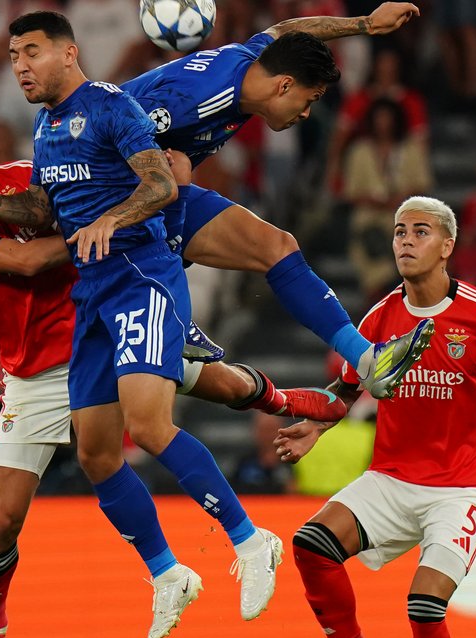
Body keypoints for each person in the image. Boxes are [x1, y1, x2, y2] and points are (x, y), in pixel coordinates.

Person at [0, 12, 342, 638]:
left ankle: (249, 537)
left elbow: (158, 182)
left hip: (135, 277)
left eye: (31, 52)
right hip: (69, 325)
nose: (19, 66)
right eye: (13, 56)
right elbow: (42, 209)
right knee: (92, 460)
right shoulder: (40, 136)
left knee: (156, 421)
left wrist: (109, 219)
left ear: (69, 53)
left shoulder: (109, 105)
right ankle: (168, 573)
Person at [275, 196, 476, 638]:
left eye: (421, 231)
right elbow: (348, 387)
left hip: (464, 487)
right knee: (311, 545)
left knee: (424, 605)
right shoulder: (379, 318)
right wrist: (317, 423)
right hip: (392, 479)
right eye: (400, 231)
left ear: (447, 246)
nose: (406, 241)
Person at [120, 1, 435, 400]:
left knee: (278, 247)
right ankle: (170, 312)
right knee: (175, 179)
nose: (306, 113)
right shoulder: (195, 99)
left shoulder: (254, 64)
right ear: (284, 85)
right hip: (109, 194)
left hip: (154, 185)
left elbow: (286, 30)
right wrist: (171, 194)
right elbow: (104, 140)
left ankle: (369, 360)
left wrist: (367, 24)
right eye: (309, 99)